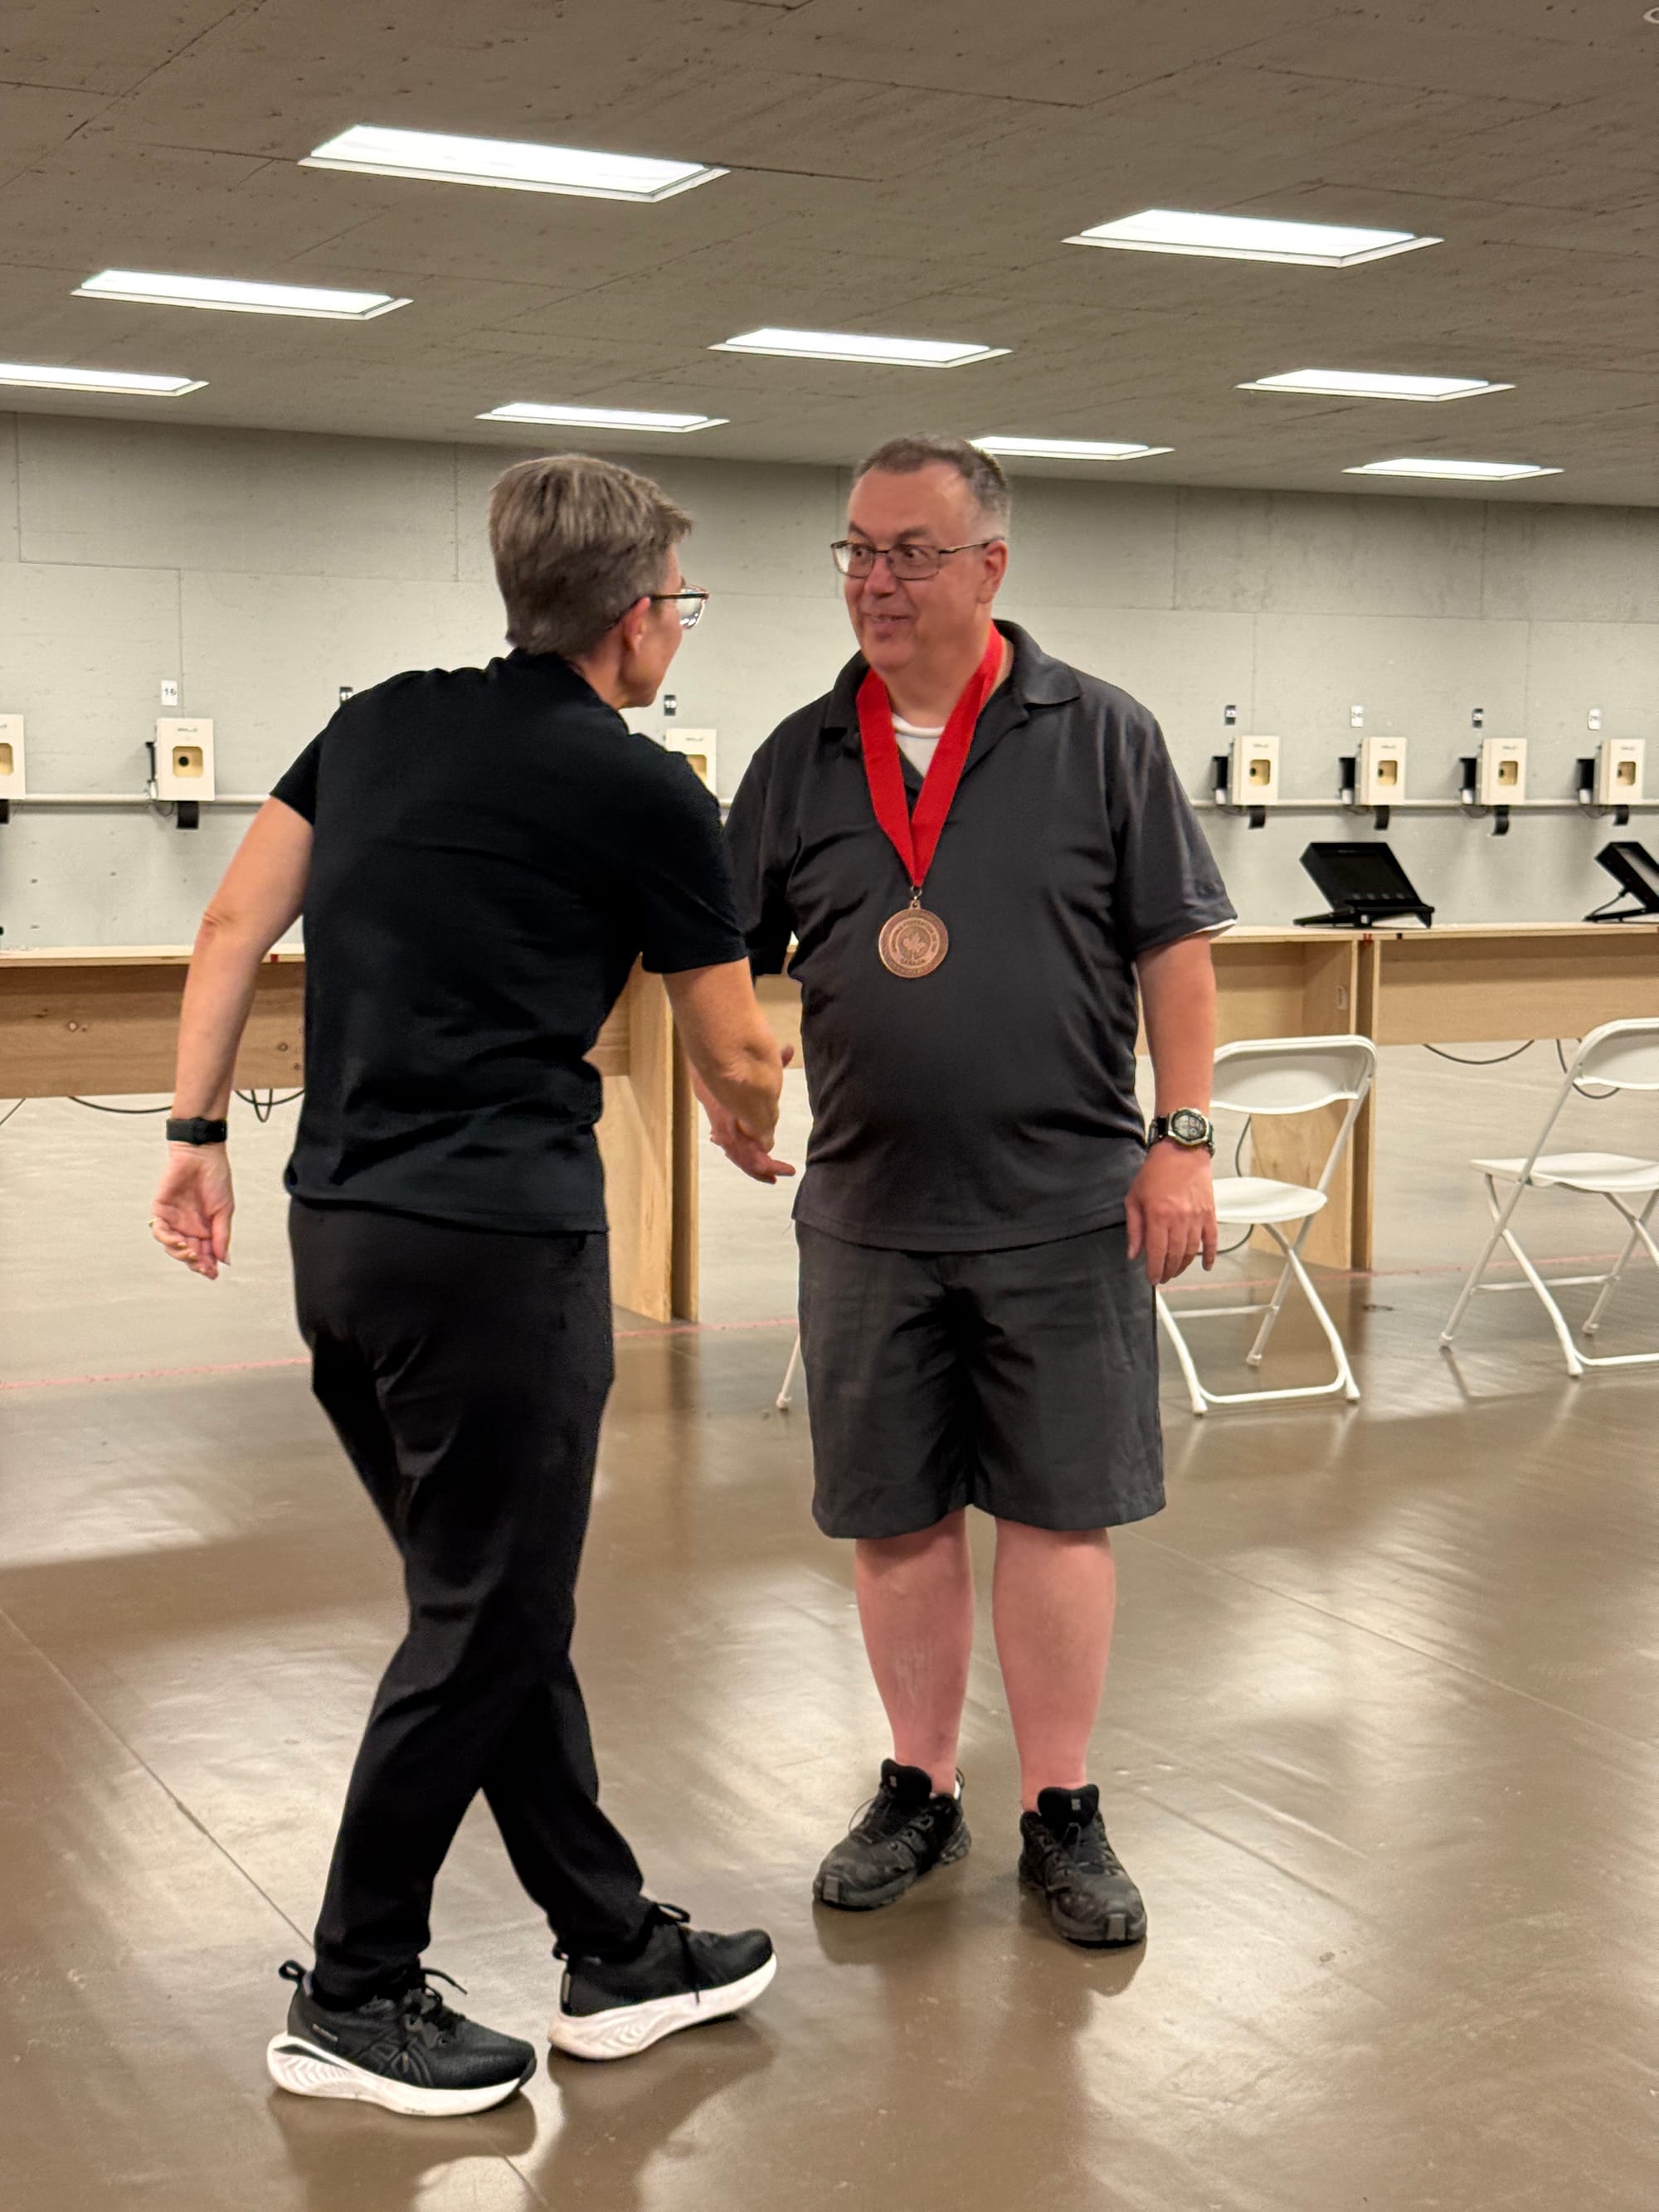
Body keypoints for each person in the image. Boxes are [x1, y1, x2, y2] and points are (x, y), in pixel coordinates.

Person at [150, 455, 785, 2115]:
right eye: (681, 602)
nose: (679, 628)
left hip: (342, 1237)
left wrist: (195, 1133)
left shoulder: (372, 724)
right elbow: (733, 1041)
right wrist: (753, 1112)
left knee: (488, 1604)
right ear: (635, 615)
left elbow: (230, 929)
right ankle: (354, 1988)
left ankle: (613, 1941)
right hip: (497, 1253)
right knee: (486, 1615)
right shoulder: (646, 790)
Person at [717, 433, 1234, 1947]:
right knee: (896, 1522)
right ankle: (920, 1785)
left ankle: (1061, 1808)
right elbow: (717, 953)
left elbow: (1176, 951)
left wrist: (1183, 1136)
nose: (875, 581)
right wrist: (727, 1079)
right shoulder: (804, 754)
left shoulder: (1100, 733)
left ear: (989, 566)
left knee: (1063, 1518)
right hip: (869, 1211)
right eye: (857, 552)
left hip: (1064, 1203)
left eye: (911, 552)